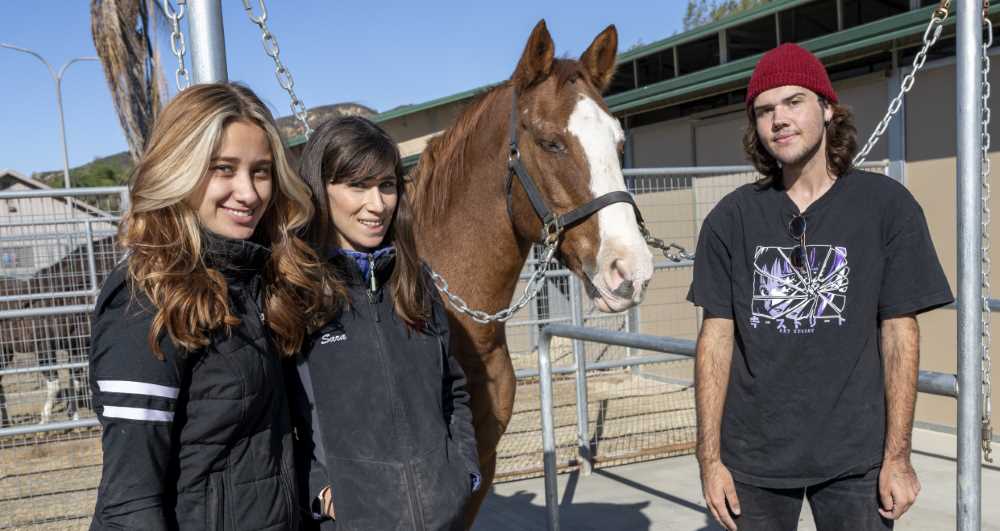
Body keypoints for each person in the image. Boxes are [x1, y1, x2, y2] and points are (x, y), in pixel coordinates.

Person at [687, 43, 954, 531]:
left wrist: (898, 456)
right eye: (765, 110)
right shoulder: (731, 218)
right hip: (754, 457)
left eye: (793, 102)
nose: (778, 120)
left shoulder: (885, 207)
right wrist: (709, 460)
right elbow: (715, 340)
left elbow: (899, 333)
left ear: (827, 108)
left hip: (856, 455)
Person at [88, 83, 336, 530]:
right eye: (224, 169)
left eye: (261, 172)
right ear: (179, 168)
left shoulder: (257, 279)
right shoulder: (148, 297)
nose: (248, 192)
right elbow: (130, 503)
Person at [289, 116, 481, 530]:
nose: (377, 205)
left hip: (441, 517)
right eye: (357, 186)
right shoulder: (294, 292)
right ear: (320, 190)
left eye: (387, 186)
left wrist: (460, 474)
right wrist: (320, 491)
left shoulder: (415, 282)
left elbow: (454, 389)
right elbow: (277, 421)